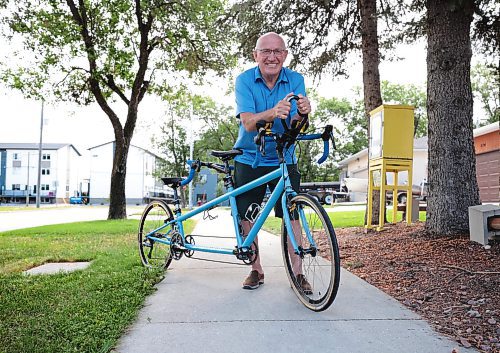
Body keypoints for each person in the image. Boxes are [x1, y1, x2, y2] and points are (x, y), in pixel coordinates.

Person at [233, 32, 312, 291]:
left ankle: (299, 275)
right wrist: (272, 112)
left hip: (283, 156)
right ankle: (256, 270)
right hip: (249, 157)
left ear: (285, 55)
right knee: (248, 217)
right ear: (256, 55)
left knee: (293, 215)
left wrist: (302, 113)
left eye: (277, 51)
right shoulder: (244, 80)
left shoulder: (295, 79)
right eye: (266, 51)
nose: (272, 56)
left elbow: (294, 124)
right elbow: (247, 122)